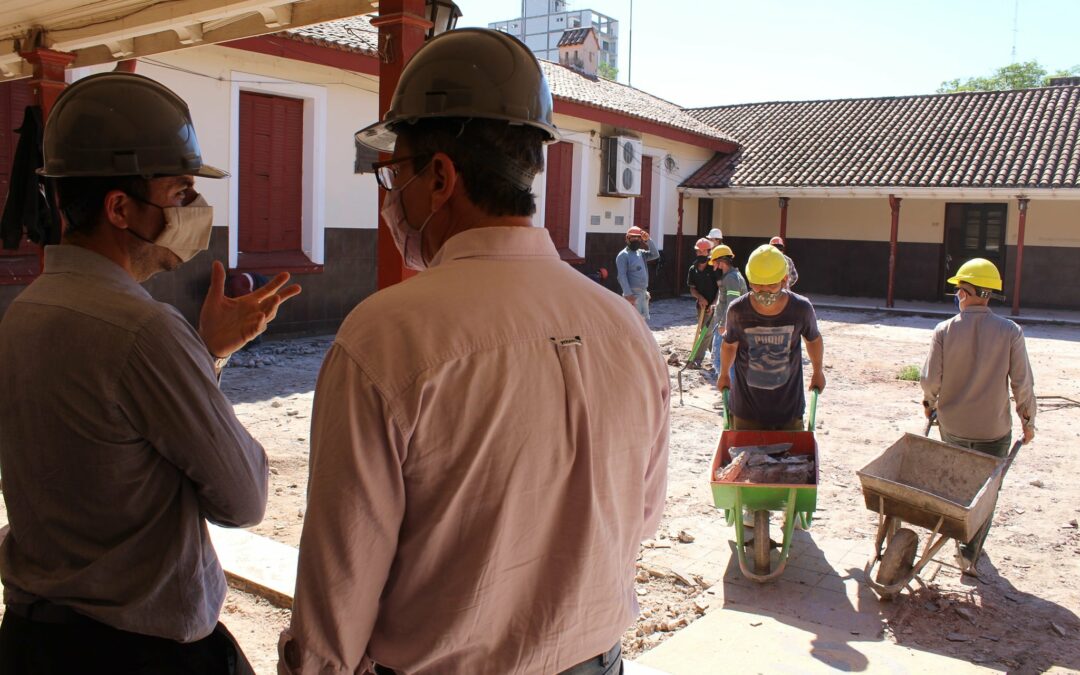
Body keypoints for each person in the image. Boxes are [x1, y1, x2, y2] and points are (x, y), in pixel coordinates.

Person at [280, 28, 669, 675]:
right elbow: (643, 515)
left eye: (392, 174)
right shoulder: (625, 328)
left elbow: (335, 607)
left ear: (439, 176)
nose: (388, 198)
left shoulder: (385, 339)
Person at [0, 72, 301, 674]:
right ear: (119, 207)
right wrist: (190, 357)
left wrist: (205, 353)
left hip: (34, 641)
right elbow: (242, 500)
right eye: (182, 193)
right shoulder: (145, 332)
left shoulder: (26, 311)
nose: (196, 211)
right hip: (135, 653)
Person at [920, 257, 1036, 570]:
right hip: (994, 430)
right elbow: (1022, 384)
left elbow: (930, 381)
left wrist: (930, 404)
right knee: (986, 491)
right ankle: (970, 554)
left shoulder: (944, 331)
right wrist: (1028, 422)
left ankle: (957, 539)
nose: (957, 296)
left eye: (959, 290)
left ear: (972, 292)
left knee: (957, 483)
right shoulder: (1010, 331)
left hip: (953, 426)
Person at [717, 244, 825, 430]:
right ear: (749, 281)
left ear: (784, 280)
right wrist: (724, 373)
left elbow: (813, 340)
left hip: (789, 411)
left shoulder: (800, 308)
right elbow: (729, 345)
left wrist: (817, 372)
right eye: (758, 285)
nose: (764, 291)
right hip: (746, 410)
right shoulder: (738, 310)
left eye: (772, 285)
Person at [708, 244, 748, 376]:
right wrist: (717, 306)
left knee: (722, 361)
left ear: (720, 262)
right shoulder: (732, 276)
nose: (713, 264)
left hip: (727, 327)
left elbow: (732, 303)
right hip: (730, 324)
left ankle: (728, 394)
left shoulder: (731, 278)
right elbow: (727, 300)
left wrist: (724, 324)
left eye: (714, 261)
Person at [686, 238, 718, 367]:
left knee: (706, 332)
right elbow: (692, 289)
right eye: (698, 251)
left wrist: (714, 303)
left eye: (702, 252)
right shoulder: (692, 269)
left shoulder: (714, 268)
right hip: (701, 306)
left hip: (714, 306)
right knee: (705, 332)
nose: (699, 254)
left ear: (708, 252)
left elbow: (720, 289)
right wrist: (699, 297)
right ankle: (717, 358)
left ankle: (696, 360)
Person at [616, 225, 660, 320]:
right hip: (632, 295)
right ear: (627, 238)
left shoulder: (641, 253)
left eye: (638, 237)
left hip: (643, 294)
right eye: (633, 237)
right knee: (633, 322)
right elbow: (621, 276)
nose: (636, 239)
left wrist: (648, 240)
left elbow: (655, 255)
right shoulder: (623, 255)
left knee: (643, 321)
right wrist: (628, 295)